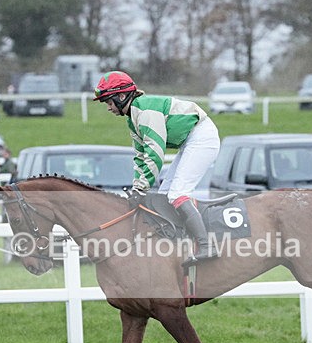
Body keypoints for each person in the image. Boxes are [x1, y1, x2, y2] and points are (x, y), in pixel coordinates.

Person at [93, 70, 220, 263]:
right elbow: (140, 156)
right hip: (190, 140)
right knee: (165, 194)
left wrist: (142, 188)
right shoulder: (133, 118)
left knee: (177, 194)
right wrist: (137, 187)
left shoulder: (145, 112)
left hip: (202, 137)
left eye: (109, 102)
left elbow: (155, 154)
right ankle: (180, 242)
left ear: (121, 96)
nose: (108, 108)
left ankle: (206, 246)